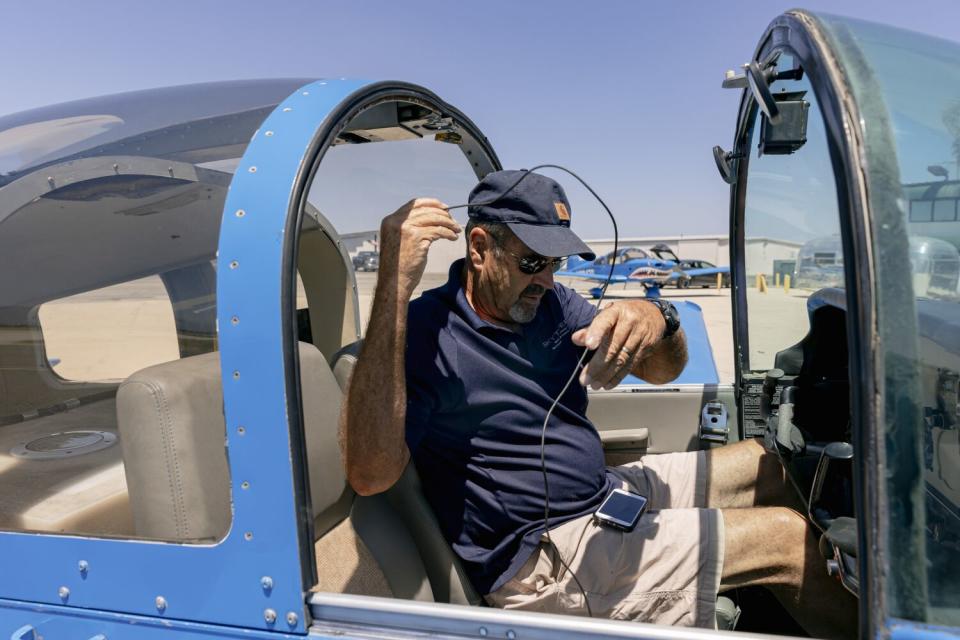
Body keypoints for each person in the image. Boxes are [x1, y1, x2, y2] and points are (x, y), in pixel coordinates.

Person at [340, 170, 855, 636]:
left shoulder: (552, 305)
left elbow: (661, 371)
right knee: (785, 540)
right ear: (479, 247)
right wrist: (393, 284)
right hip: (547, 560)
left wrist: (658, 319)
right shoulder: (424, 334)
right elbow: (369, 474)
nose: (546, 278)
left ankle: (791, 605)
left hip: (600, 497)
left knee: (765, 466)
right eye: (532, 261)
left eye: (555, 262)